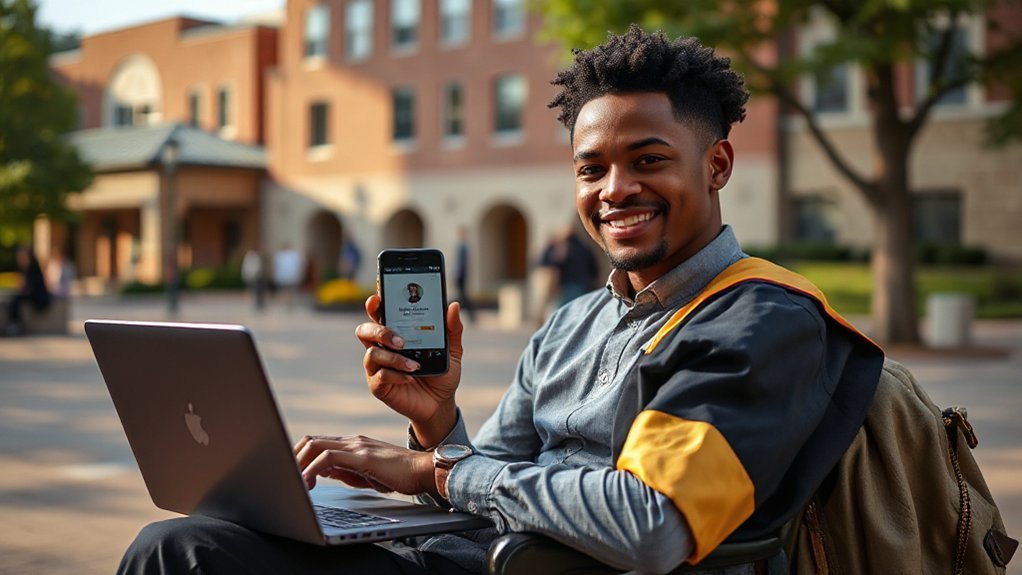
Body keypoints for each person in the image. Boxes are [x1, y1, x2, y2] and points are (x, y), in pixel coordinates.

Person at [117, 26, 883, 574]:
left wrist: (432, 473)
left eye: (648, 160)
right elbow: (487, 479)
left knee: (183, 555)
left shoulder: (763, 318)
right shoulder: (575, 319)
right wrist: (435, 423)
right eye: (592, 169)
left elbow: (655, 525)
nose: (615, 190)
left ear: (716, 164)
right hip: (471, 552)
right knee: (199, 534)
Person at [4, 246, 52, 336]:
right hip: (33, 295)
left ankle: (16, 325)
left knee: (16, 300)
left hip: (39, 298)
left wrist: (22, 290)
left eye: (23, 257)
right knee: (14, 299)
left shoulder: (33, 268)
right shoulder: (25, 269)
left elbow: (32, 288)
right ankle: (14, 323)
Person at [454, 227, 475, 323]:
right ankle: (469, 315)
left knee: (462, 295)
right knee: (461, 295)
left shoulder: (463, 247)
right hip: (461, 274)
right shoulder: (462, 246)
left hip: (461, 274)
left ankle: (471, 315)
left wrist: (458, 274)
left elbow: (461, 263)